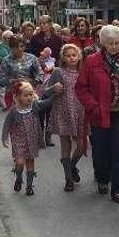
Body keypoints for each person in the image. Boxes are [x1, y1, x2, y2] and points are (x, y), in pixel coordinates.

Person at [75, 24, 119, 204]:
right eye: (110, 43)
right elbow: (81, 87)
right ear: (103, 43)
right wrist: (92, 106)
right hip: (99, 112)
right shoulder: (91, 61)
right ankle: (102, 179)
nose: (114, 46)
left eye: (117, 43)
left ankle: (118, 190)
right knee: (101, 151)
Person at [2, 80, 54, 196]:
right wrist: (4, 138)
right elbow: (7, 124)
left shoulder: (34, 106)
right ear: (17, 97)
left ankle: (29, 186)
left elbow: (45, 103)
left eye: (31, 94)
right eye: (26, 95)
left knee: (30, 162)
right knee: (20, 162)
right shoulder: (14, 111)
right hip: (19, 140)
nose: (29, 98)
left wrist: (55, 95)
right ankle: (19, 178)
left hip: (32, 139)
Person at [44, 44, 85, 192]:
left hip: (80, 111)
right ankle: (68, 179)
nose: (72, 58)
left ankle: (72, 165)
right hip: (62, 110)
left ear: (79, 56)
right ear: (63, 58)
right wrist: (53, 88)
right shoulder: (57, 71)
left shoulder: (83, 71)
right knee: (65, 145)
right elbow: (46, 91)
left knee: (82, 145)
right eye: (68, 55)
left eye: (74, 55)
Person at [0, 35, 42, 109]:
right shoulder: (6, 60)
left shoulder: (32, 58)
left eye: (22, 46)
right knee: (16, 118)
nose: (19, 49)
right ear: (11, 48)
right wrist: (15, 81)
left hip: (30, 93)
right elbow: (1, 80)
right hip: (13, 94)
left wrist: (32, 80)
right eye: (16, 47)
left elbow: (40, 74)